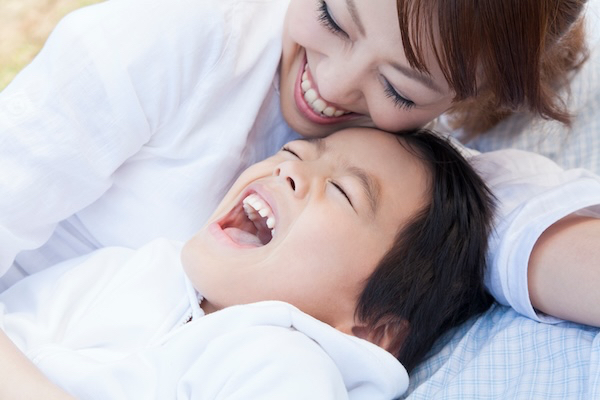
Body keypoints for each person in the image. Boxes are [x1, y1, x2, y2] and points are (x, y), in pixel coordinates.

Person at [0, 0, 599, 331]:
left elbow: (519, 231)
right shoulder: (166, 41)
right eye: (333, 18)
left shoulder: (407, 172)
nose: (332, 85)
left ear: (458, 103)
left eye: (399, 88)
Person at [0, 128, 495, 399]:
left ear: (373, 329)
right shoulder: (137, 268)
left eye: (343, 191)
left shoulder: (287, 366)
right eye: (294, 150)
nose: (289, 168)